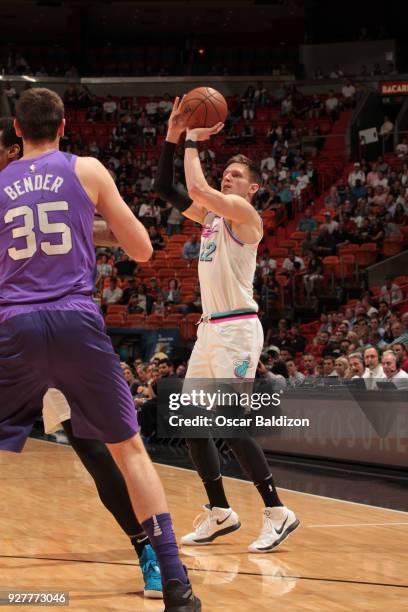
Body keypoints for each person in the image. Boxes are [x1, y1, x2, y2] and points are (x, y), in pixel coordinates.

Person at [0, 90, 200, 611]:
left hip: (14, 324)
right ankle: (176, 584)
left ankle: (150, 561)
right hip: (74, 317)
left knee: (79, 452)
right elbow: (142, 249)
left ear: (16, 131)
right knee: (129, 452)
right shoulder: (86, 170)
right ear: (64, 126)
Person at [155, 97, 299, 554]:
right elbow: (165, 187)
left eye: (237, 175)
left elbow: (195, 189)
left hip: (238, 329)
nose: (228, 176)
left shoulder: (246, 217)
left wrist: (196, 138)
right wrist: (173, 134)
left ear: (253, 190)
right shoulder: (213, 217)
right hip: (210, 329)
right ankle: (220, 512)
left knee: (232, 424)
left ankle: (278, 511)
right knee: (194, 423)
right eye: (227, 172)